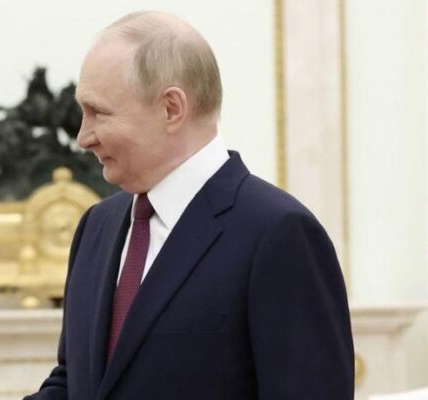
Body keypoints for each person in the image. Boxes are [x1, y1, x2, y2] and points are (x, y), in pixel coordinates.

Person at [25, 11, 353, 400]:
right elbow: (75, 382)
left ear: (171, 108)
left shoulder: (279, 234)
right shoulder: (96, 226)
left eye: (99, 113)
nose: (83, 137)